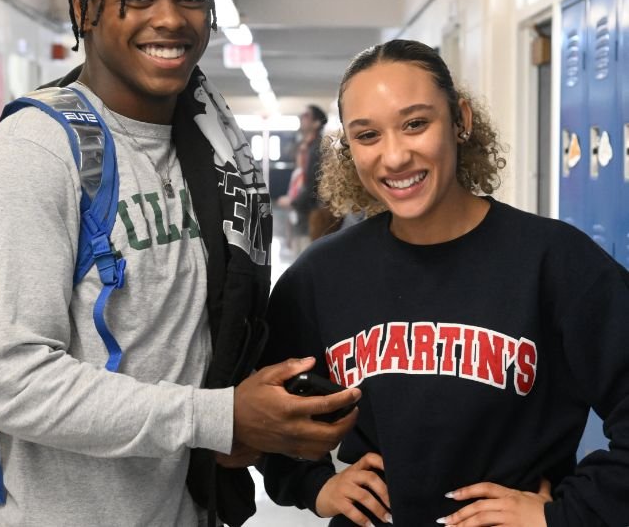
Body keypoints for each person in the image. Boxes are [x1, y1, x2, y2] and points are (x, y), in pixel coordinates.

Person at [0, 0, 360, 527]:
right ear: (84, 6)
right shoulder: (34, 154)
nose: (170, 19)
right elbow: (11, 380)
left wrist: (248, 423)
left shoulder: (210, 150)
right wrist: (217, 416)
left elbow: (188, 344)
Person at [258, 39, 629, 526]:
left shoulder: (555, 262)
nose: (393, 157)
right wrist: (314, 486)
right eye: (367, 135)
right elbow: (265, 408)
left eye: (415, 124)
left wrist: (566, 514)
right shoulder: (321, 275)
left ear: (461, 120)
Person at [278, 104, 340, 251]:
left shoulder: (319, 147)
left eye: (306, 116)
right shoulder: (304, 146)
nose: (301, 118)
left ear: (317, 123)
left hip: (312, 210)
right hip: (303, 209)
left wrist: (293, 202)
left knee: (307, 251)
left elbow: (314, 182)